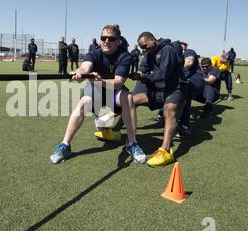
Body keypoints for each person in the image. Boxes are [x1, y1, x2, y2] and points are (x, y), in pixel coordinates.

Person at [50, 25, 146, 165]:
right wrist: (79, 73)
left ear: (119, 41)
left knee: (128, 98)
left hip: (113, 94)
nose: (106, 41)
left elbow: (118, 83)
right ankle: (65, 145)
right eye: (103, 38)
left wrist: (100, 81)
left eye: (111, 38)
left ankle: (132, 144)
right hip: (95, 94)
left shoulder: (124, 56)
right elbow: (85, 67)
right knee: (83, 103)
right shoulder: (94, 53)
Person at [129, 32, 186, 168]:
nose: (144, 49)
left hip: (176, 89)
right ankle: (115, 131)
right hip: (160, 90)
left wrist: (143, 77)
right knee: (130, 100)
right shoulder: (149, 52)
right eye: (141, 47)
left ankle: (165, 151)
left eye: (145, 46)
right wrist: (138, 74)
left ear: (152, 40)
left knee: (169, 110)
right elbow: (143, 68)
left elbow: (163, 74)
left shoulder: (168, 50)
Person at [176, 42, 204, 137]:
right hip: (184, 79)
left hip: (196, 79)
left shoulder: (189, 52)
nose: (182, 50)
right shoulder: (174, 56)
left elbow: (189, 62)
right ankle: (162, 114)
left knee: (185, 93)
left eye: (183, 48)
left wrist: (172, 71)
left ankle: (184, 127)